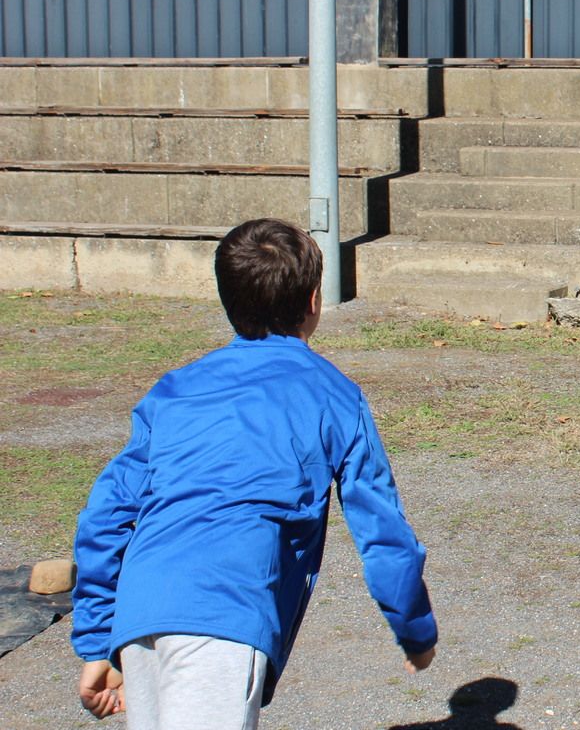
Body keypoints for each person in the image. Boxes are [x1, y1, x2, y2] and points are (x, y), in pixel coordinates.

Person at [73, 218, 438, 727]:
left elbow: (105, 515)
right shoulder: (334, 396)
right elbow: (382, 532)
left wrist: (98, 638)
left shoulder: (174, 391)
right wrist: (416, 631)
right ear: (314, 301)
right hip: (225, 619)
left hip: (142, 612)